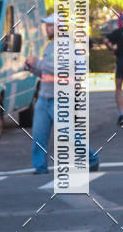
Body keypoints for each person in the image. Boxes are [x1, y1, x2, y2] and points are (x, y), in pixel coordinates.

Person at [26, 13, 99, 173]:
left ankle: (92, 158)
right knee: (39, 135)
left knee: (68, 133)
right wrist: (33, 69)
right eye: (47, 25)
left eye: (51, 25)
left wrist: (38, 62)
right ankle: (40, 167)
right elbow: (46, 73)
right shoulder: (50, 46)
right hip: (44, 97)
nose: (47, 28)